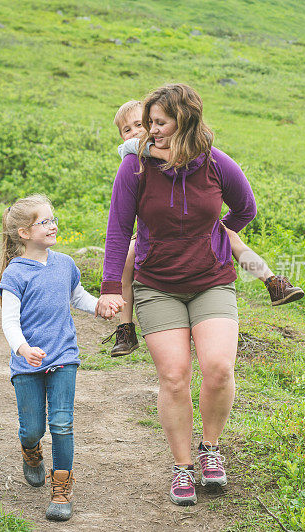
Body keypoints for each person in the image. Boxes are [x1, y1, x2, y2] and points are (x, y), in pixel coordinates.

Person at [97, 84, 255, 505]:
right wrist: (112, 286)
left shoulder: (217, 165)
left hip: (211, 280)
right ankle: (183, 466)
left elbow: (246, 209)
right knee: (174, 376)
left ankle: (211, 450)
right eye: (147, 124)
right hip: (157, 284)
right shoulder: (134, 169)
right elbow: (118, 230)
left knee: (219, 368)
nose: (150, 132)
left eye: (159, 123)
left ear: (185, 121)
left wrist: (217, 234)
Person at [103, 100, 303, 358]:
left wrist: (215, 231)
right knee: (128, 260)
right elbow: (119, 222)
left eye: (141, 124)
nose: (137, 132)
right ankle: (125, 326)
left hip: (205, 245)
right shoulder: (132, 155)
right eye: (126, 129)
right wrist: (162, 154)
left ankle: (274, 282)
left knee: (232, 239)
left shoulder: (209, 156)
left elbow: (246, 207)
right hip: (152, 238)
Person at [0, 194, 116, 521]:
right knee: (33, 428)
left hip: (63, 354)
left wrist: (98, 306)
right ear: (23, 233)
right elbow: (9, 321)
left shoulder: (65, 264)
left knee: (62, 423)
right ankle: (30, 451)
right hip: (28, 363)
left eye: (53, 219)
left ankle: (61, 486)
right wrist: (23, 348)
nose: (53, 225)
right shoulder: (15, 274)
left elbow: (76, 296)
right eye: (44, 221)